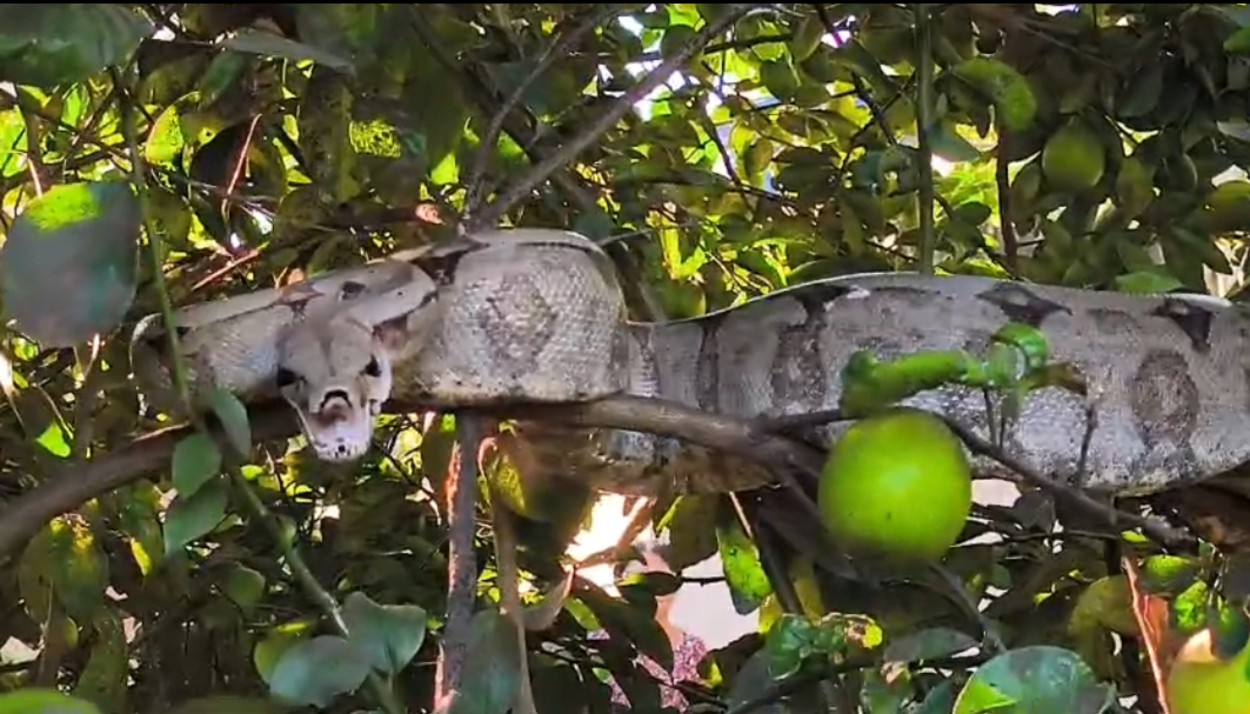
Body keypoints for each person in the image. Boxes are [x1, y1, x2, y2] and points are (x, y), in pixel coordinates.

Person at [591, 540, 710, 710]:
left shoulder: (694, 650)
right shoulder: (597, 645)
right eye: (640, 579)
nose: (650, 591)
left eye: (658, 581)